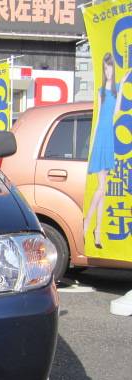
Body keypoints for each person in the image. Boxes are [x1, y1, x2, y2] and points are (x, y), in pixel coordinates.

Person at [84, 52, 128, 249]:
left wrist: (123, 83)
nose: (107, 71)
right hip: (101, 137)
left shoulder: (116, 89)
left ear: (113, 68)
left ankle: (97, 231)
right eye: (105, 68)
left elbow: (116, 112)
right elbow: (98, 118)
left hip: (109, 137)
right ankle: (87, 224)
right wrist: (93, 144)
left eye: (109, 67)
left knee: (103, 190)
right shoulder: (101, 91)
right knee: (102, 188)